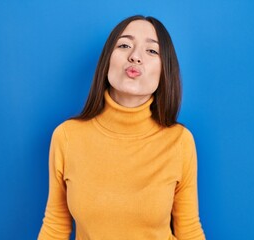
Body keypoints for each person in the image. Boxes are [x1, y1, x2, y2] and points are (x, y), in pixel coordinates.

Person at [38, 15, 206, 240]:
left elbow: (189, 229)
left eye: (152, 51)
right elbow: (56, 225)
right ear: (108, 60)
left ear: (165, 70)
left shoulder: (180, 141)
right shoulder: (67, 136)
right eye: (124, 45)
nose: (135, 57)